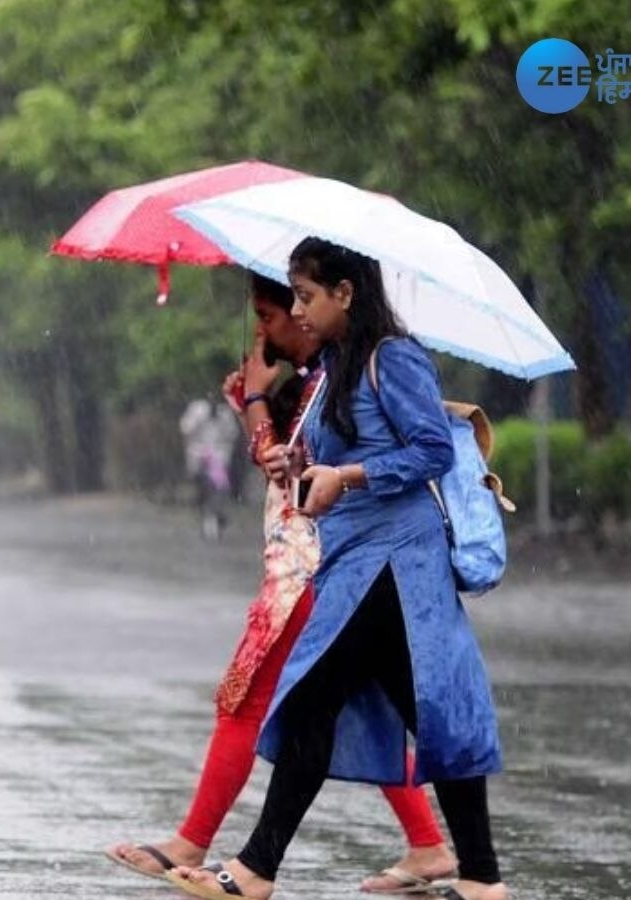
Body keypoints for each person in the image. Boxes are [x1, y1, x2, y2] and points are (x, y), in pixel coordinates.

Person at [168, 241, 507, 900]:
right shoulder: (334, 368)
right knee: (424, 714)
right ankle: (482, 877)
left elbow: (432, 451)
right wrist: (295, 468)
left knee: (315, 706)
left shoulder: (393, 358)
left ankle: (254, 870)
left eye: (306, 295)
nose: (298, 309)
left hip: (393, 572)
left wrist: (348, 477)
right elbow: (336, 454)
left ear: (346, 294)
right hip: (354, 565)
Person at [107, 273, 457, 894]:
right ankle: (432, 847)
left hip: (312, 573)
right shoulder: (321, 377)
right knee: (357, 709)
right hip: (323, 570)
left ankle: (210, 847)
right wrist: (256, 401)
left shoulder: (342, 377)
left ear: (322, 305)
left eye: (281, 309)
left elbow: (292, 475)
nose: (270, 324)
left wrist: (256, 403)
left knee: (249, 700)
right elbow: (280, 463)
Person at [180, 392, 241, 539]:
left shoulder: (224, 414)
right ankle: (204, 512)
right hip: (198, 454)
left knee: (218, 488)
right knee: (201, 488)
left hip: (218, 457)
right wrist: (200, 420)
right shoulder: (197, 410)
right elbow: (185, 429)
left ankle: (217, 514)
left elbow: (232, 435)